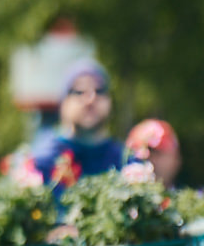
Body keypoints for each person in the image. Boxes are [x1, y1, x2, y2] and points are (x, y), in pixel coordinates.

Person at [26, 59, 124, 188]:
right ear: (63, 104)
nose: (90, 99)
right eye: (79, 91)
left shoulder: (128, 164)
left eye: (99, 91)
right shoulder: (41, 165)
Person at [125, 119, 182, 188]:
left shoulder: (188, 197)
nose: (150, 161)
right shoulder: (118, 193)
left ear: (175, 159)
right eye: (139, 156)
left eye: (157, 153)